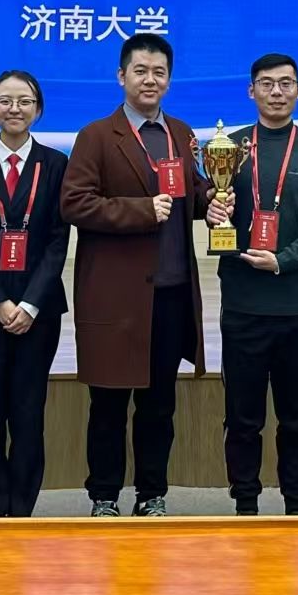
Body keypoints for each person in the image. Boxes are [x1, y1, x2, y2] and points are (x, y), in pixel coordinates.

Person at [60, 33, 208, 517]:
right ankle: (104, 496)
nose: (150, 80)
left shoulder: (181, 133)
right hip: (115, 297)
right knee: (108, 404)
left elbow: (192, 193)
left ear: (169, 79)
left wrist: (212, 201)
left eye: (159, 72)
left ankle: (152, 493)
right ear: (121, 76)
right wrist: (142, 211)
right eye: (140, 71)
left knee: (159, 405)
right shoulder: (97, 136)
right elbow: (74, 203)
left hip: (170, 293)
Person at [209, 53, 298, 515]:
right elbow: (216, 210)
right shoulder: (228, 148)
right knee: (242, 417)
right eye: (266, 84)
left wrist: (283, 260)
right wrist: (214, 213)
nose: (277, 92)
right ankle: (245, 503)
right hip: (243, 306)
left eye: (286, 83)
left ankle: (297, 504)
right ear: (251, 91)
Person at [0, 70, 71, 517]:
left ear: (38, 109)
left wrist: (29, 303)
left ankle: (22, 508)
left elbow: (58, 239)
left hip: (39, 312)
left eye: (24, 101)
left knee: (28, 411)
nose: (14, 109)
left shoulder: (55, 164)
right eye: (5, 100)